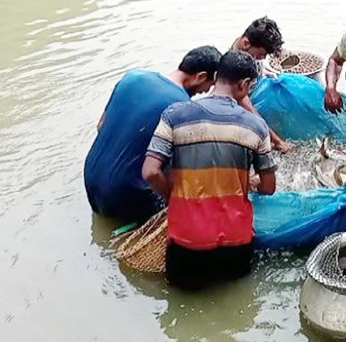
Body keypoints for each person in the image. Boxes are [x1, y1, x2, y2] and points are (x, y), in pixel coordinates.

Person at [142, 50, 277, 289]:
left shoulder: (174, 115)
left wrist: (174, 197)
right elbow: (268, 188)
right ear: (244, 84)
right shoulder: (257, 127)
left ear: (215, 77)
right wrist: (249, 181)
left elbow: (150, 172)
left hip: (187, 244)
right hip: (236, 243)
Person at [84, 46, 221, 223]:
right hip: (122, 199)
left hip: (90, 182)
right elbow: (157, 172)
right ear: (200, 76)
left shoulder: (132, 77)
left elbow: (101, 125)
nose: (204, 92)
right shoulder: (184, 108)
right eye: (208, 86)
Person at [229, 16, 292, 153]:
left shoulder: (246, 47)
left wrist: (264, 70)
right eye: (261, 55)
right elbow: (248, 108)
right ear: (246, 43)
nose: (262, 58)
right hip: (246, 106)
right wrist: (277, 141)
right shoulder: (236, 66)